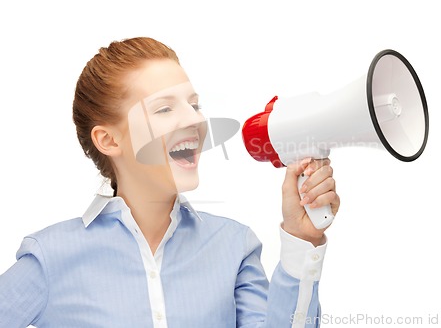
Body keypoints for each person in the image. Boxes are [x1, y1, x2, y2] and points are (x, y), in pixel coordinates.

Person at [0, 37, 340, 327]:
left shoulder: (233, 247)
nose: (195, 119)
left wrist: (302, 238)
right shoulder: (52, 257)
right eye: (164, 109)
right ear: (109, 140)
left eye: (194, 105)